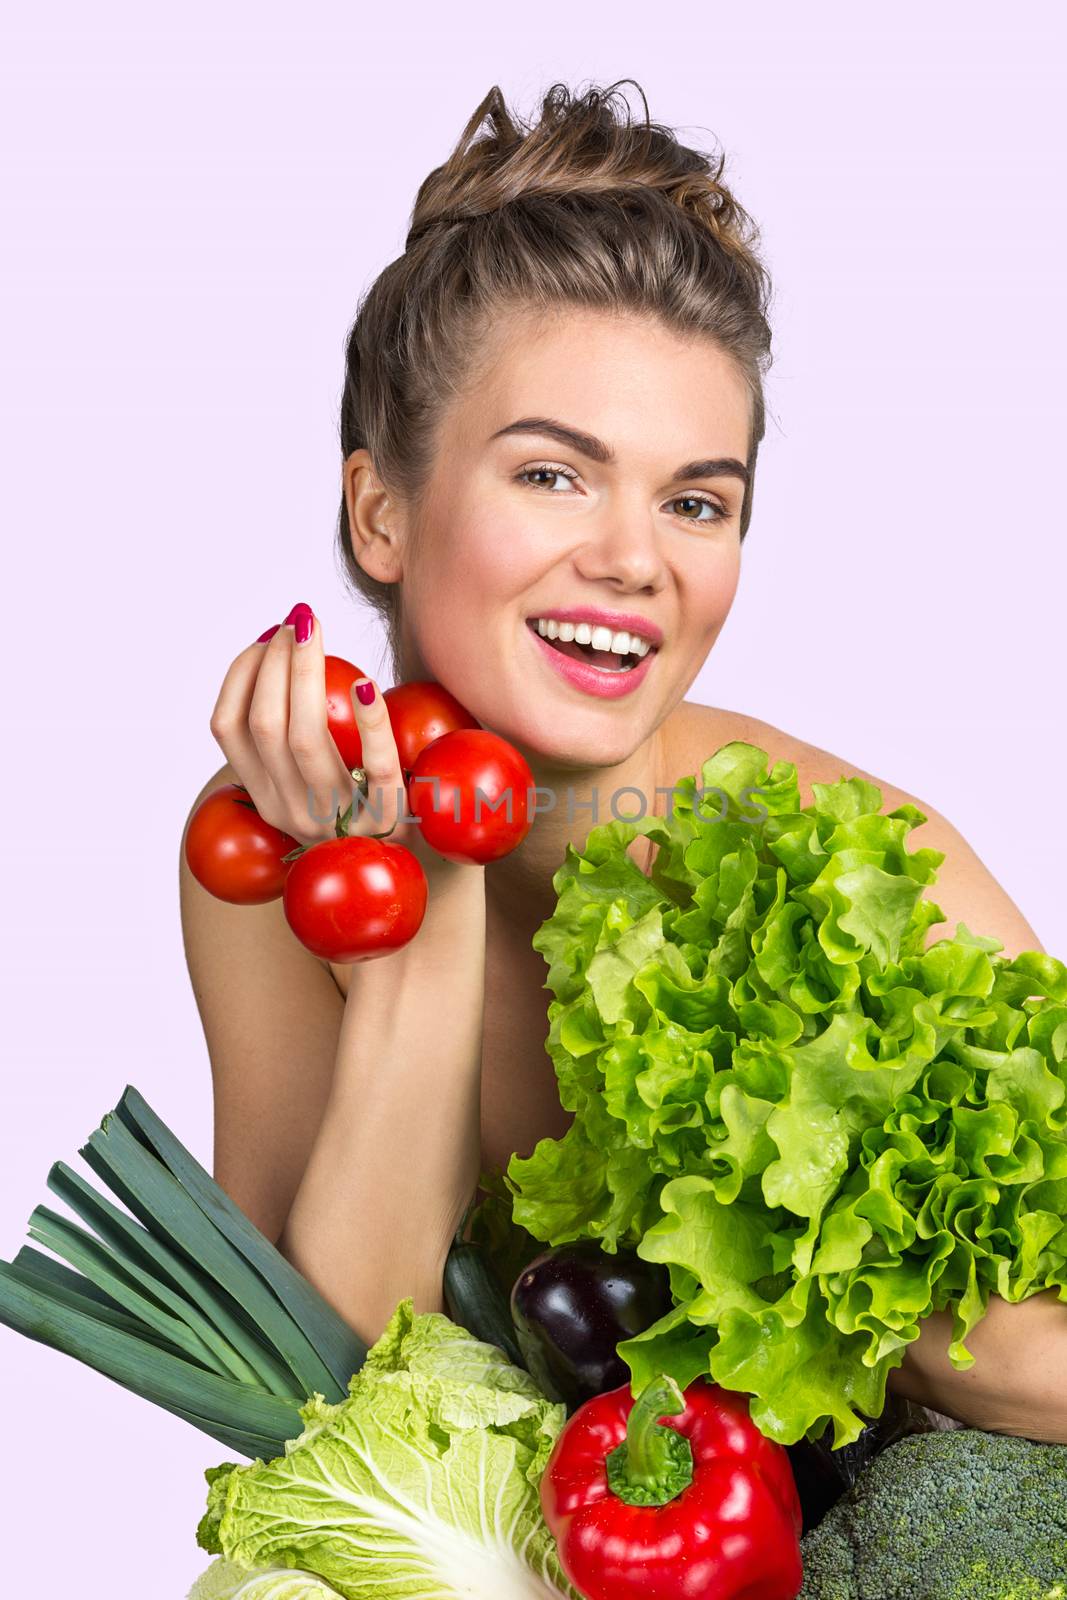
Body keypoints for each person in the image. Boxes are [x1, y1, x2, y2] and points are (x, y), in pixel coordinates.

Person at [178, 79, 1063, 1443]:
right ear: (380, 511)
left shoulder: (844, 867)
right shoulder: (275, 836)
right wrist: (422, 896)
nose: (637, 559)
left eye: (696, 501)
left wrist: (929, 1341)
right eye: (552, 474)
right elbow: (325, 1418)